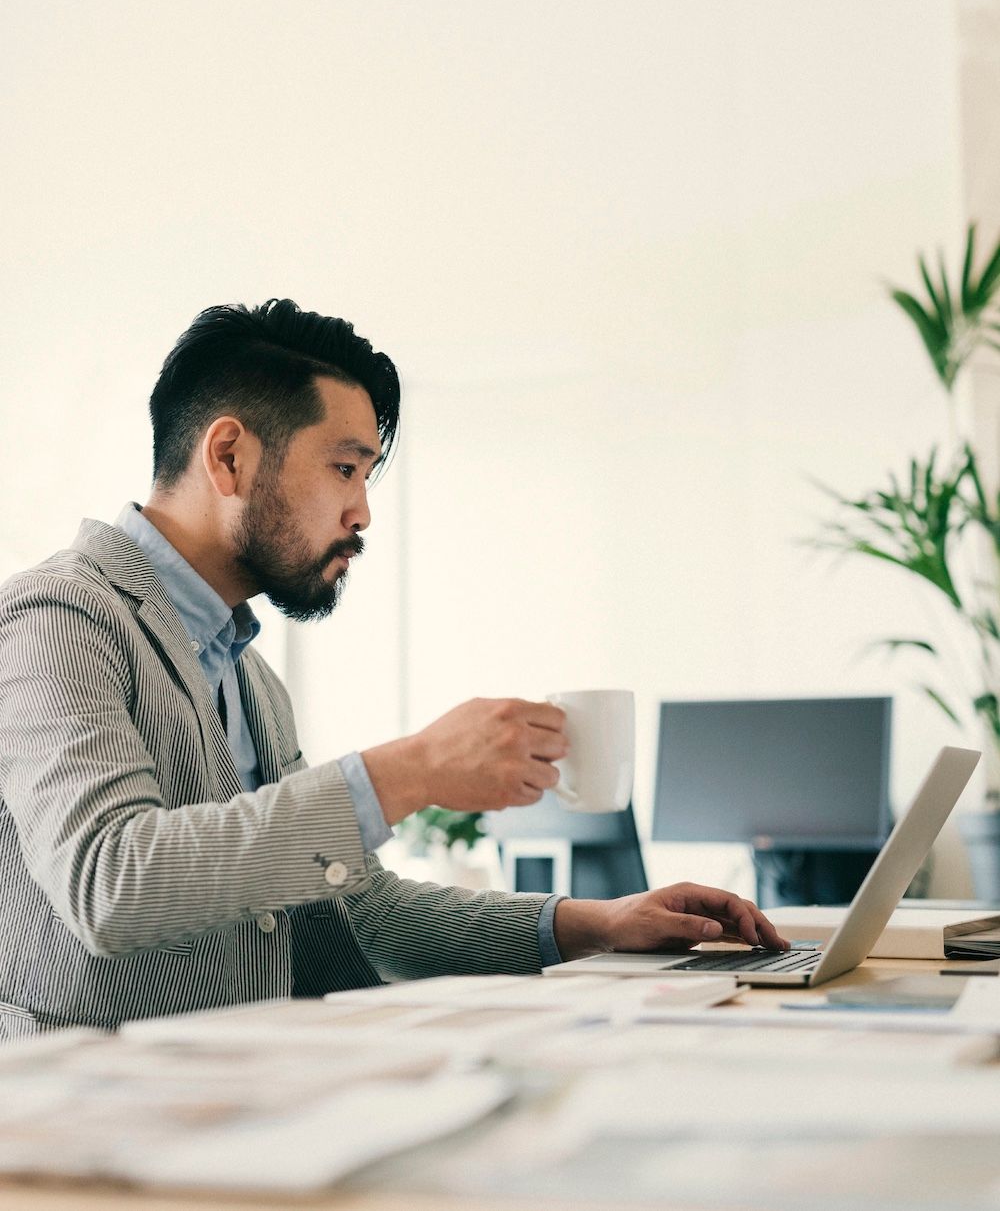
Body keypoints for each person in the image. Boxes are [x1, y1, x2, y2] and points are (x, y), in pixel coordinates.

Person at [0, 299, 785, 1040]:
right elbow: (110, 883)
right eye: (345, 468)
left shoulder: (249, 678)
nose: (363, 512)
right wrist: (408, 771)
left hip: (238, 1104)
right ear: (229, 456)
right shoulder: (58, 618)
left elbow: (353, 909)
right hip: (74, 1128)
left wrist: (595, 923)